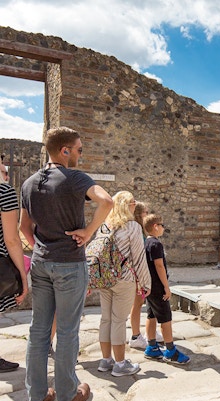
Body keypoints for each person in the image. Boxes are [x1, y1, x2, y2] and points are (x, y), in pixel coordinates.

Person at [20, 126, 113, 401]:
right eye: (79, 150)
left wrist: (42, 248)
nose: (80, 155)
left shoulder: (28, 183)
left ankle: (36, 394)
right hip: (70, 264)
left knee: (39, 330)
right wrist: (89, 231)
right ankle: (67, 393)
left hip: (41, 263)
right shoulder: (74, 178)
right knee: (68, 331)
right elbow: (106, 201)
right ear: (65, 150)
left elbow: (25, 228)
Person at [96, 191, 152, 377]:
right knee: (119, 320)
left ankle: (105, 360)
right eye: (132, 203)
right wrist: (145, 283)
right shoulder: (132, 227)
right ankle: (120, 364)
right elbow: (138, 258)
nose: (134, 206)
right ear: (125, 205)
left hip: (105, 279)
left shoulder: (105, 225)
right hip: (124, 279)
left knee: (106, 319)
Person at [142, 214, 190, 364]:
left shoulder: (146, 243)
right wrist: (166, 287)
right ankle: (170, 351)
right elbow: (159, 265)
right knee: (166, 318)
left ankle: (151, 347)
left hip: (149, 286)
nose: (163, 228)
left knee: (151, 315)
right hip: (158, 287)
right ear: (156, 226)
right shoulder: (156, 244)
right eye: (162, 225)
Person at [0, 161, 29, 372]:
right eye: (3, 170)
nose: (7, 175)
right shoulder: (4, 193)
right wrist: (23, 277)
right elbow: (11, 239)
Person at [128, 201, 163, 349]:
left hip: (144, 271)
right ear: (139, 214)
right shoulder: (135, 230)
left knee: (149, 303)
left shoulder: (143, 231)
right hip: (137, 272)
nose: (147, 215)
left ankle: (151, 332)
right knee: (137, 303)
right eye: (145, 212)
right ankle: (135, 336)